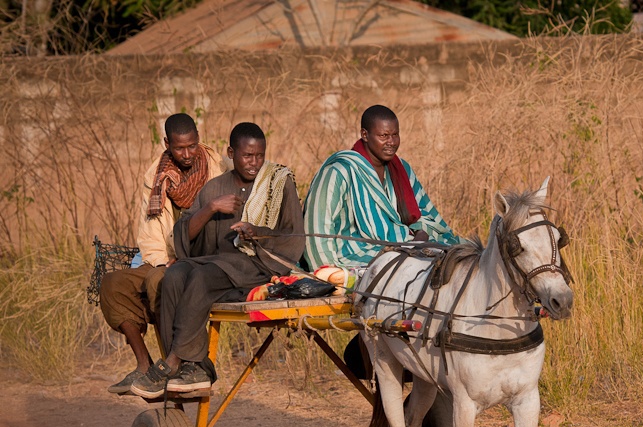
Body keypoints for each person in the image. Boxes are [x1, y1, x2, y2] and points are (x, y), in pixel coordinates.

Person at [130, 122, 304, 397]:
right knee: (174, 276)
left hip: (260, 264)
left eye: (260, 155)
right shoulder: (215, 188)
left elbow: (293, 234)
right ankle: (194, 367)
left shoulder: (278, 183)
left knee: (200, 276)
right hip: (219, 263)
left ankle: (173, 361)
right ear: (231, 153)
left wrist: (256, 232)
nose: (254, 163)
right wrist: (211, 208)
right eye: (247, 156)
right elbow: (184, 234)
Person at [100, 113, 224, 394]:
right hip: (166, 256)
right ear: (167, 143)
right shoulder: (155, 177)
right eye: (179, 148)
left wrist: (176, 265)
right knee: (113, 284)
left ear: (198, 140)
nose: (187, 153)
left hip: (205, 258)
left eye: (192, 146)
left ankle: (179, 365)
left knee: (160, 281)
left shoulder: (219, 168)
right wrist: (162, 261)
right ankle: (144, 365)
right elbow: (150, 232)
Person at [302, 104, 461, 270]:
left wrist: (420, 233)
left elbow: (424, 213)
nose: (391, 142)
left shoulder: (402, 168)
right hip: (354, 254)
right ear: (365, 135)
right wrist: (326, 274)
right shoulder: (339, 172)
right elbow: (317, 228)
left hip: (402, 246)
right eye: (384, 136)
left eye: (395, 135)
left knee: (453, 255)